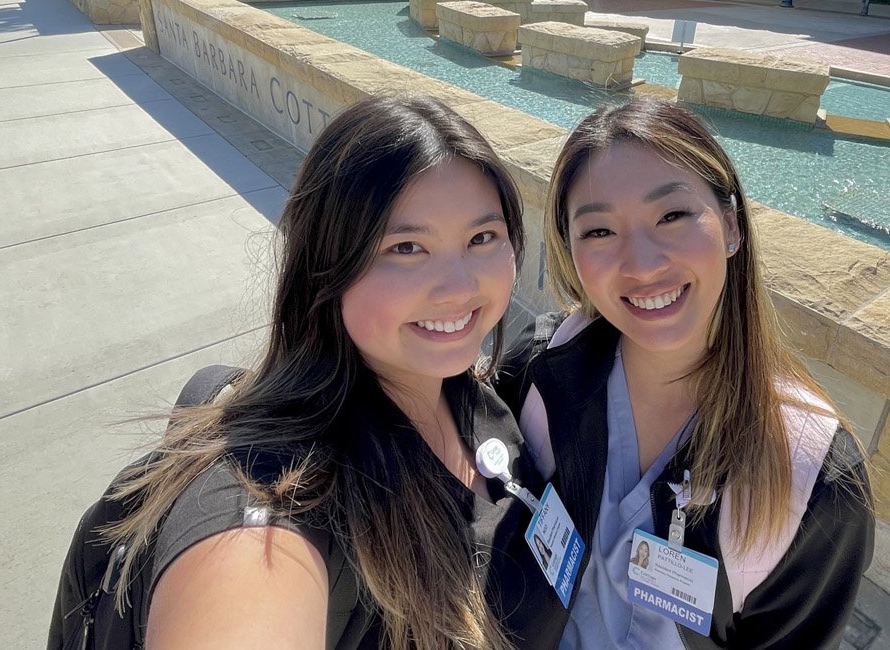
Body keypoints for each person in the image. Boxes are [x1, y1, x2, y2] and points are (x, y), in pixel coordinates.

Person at [88, 96, 565, 650]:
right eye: (406, 247)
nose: (460, 286)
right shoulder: (272, 505)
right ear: (326, 267)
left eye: (482, 238)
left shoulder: (474, 397)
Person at [499, 98, 874, 649]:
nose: (643, 264)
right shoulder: (535, 373)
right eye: (599, 231)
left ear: (730, 226)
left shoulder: (812, 481)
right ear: (571, 249)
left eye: (673, 215)